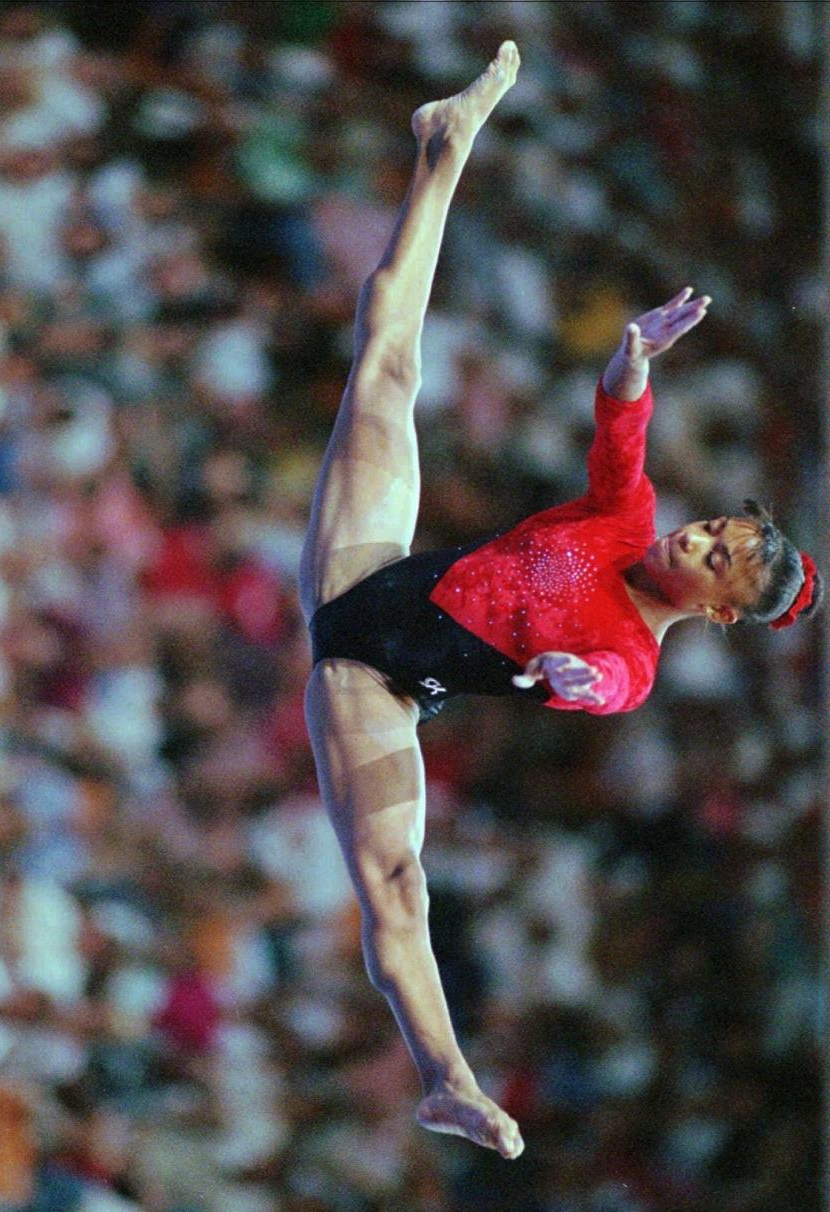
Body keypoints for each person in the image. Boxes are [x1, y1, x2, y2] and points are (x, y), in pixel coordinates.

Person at [299, 41, 821, 1159]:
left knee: (398, 885)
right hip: (370, 571)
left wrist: (576, 681)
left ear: (721, 610)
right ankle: (450, 144)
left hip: (378, 683)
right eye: (723, 524)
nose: (701, 533)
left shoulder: (634, 663)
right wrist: (635, 358)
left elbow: (604, 688)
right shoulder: (627, 521)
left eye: (719, 555)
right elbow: (623, 435)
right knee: (387, 357)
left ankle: (447, 1078)